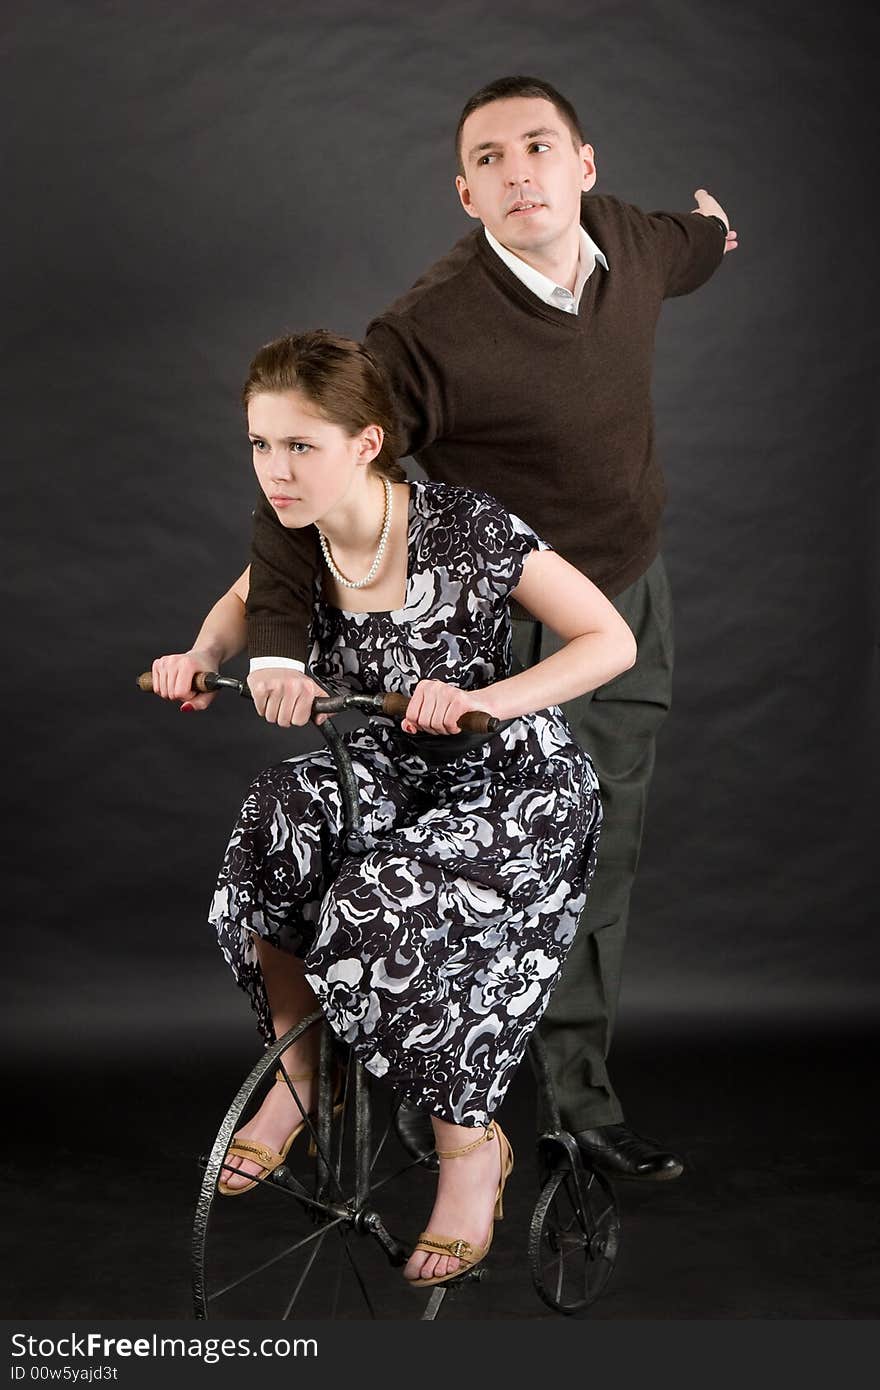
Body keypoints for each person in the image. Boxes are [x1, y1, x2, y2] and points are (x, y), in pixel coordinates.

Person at [238, 76, 738, 1181]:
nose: (522, 173)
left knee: (592, 860)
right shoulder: (424, 331)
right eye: (492, 160)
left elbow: (697, 245)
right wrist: (265, 643)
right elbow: (310, 477)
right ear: (465, 192)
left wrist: (714, 228)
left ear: (583, 167)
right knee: (448, 869)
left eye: (539, 148)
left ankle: (577, 1110)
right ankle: (440, 1091)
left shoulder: (633, 241)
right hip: (489, 635)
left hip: (623, 608)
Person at [151, 330, 636, 1287]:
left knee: (384, 905)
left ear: (366, 443)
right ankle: (303, 1074)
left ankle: (472, 1153)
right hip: (383, 765)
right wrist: (199, 658)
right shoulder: (292, 535)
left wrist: (485, 699)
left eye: (301, 446)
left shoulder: (464, 527)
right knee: (270, 824)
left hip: (507, 779)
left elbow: (608, 638)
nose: (277, 470)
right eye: (260, 445)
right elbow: (232, 612)